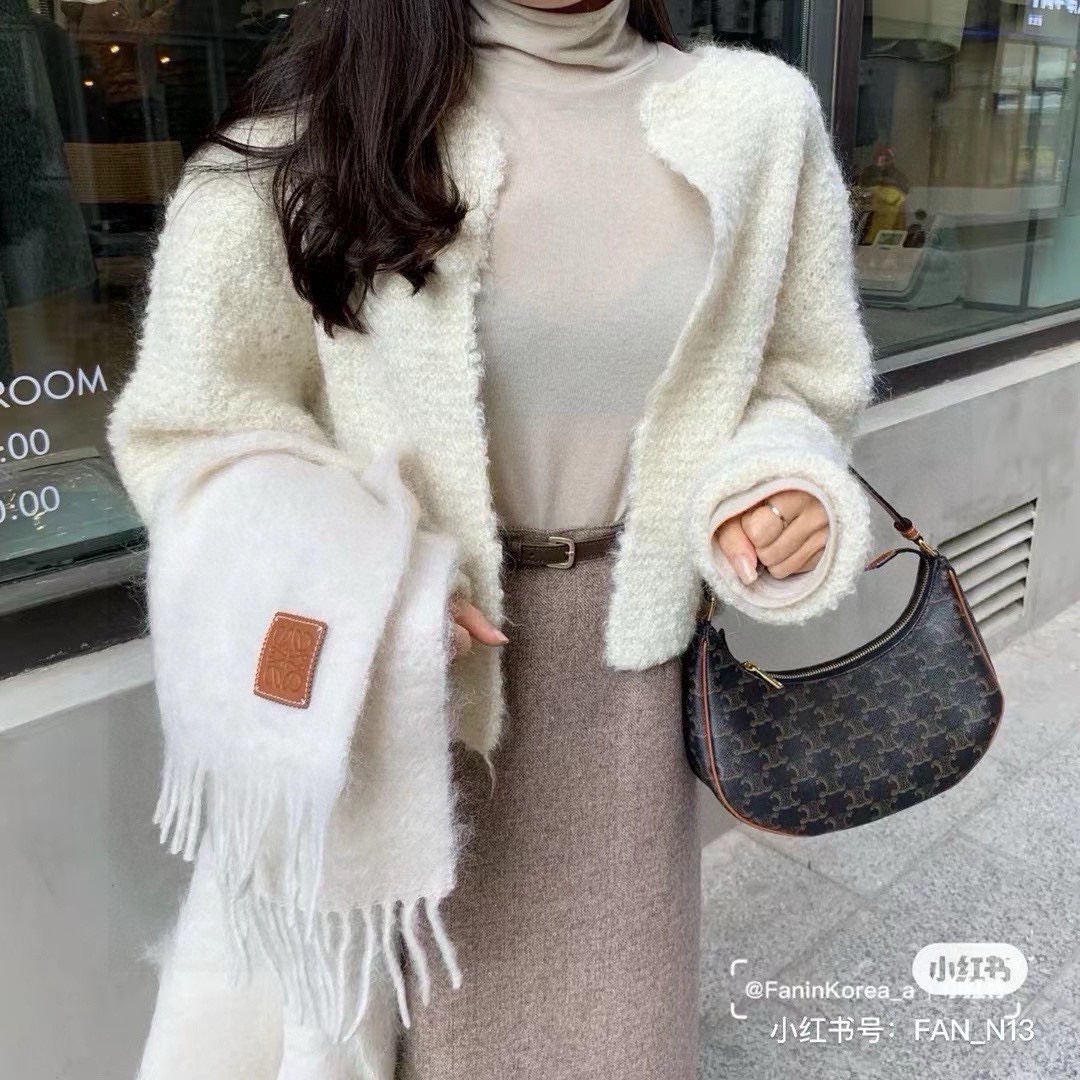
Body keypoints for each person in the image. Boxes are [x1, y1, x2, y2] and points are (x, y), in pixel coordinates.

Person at [106, 0, 878, 1077]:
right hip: (403, 691)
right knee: (393, 1039)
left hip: (626, 691)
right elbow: (194, 427)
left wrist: (777, 478)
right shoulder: (310, 133)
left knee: (619, 1042)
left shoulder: (759, 117)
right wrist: (379, 591)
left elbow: (799, 374)